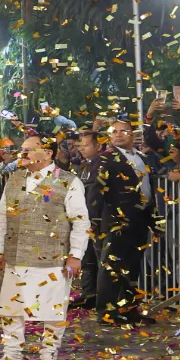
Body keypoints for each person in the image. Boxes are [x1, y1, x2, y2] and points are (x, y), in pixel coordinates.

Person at [0, 136, 90, 360]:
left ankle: (48, 354)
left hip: (54, 256)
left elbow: (80, 221)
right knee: (11, 307)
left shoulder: (68, 181)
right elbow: (2, 218)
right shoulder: (13, 179)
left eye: (28, 150)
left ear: (48, 153)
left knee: (54, 309)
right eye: (22, 149)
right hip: (16, 255)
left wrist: (76, 255)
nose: (22, 154)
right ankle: (11, 354)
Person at [87, 119, 155, 326]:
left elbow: (149, 188)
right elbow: (95, 190)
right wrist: (94, 219)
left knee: (132, 267)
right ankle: (107, 312)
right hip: (114, 219)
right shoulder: (105, 159)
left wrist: (154, 217)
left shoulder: (142, 158)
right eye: (113, 131)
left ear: (133, 134)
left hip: (140, 218)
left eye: (123, 131)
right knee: (110, 267)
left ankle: (129, 309)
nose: (118, 135)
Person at [69, 129, 104, 310]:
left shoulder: (102, 165)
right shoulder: (83, 166)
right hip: (83, 218)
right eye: (80, 145)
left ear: (98, 146)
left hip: (96, 219)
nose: (81, 148)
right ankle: (88, 294)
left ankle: (101, 298)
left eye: (86, 145)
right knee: (87, 258)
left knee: (98, 259)